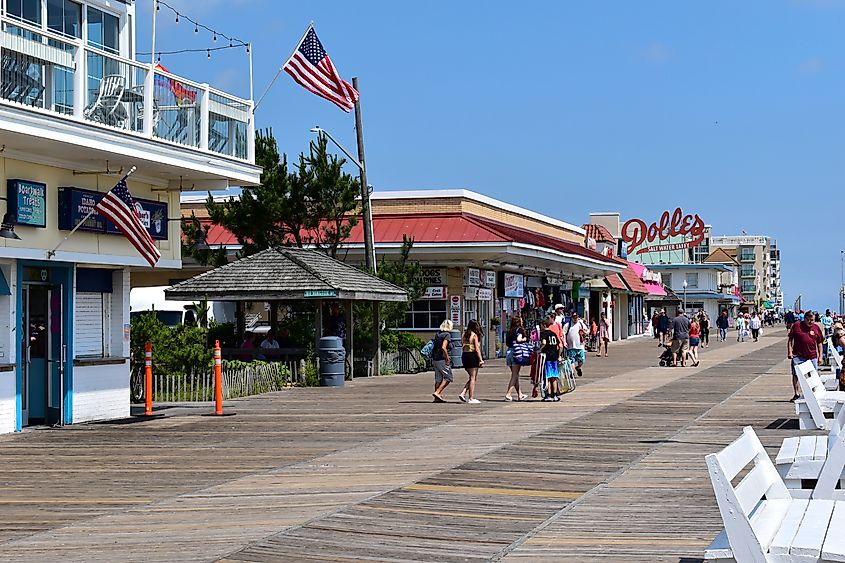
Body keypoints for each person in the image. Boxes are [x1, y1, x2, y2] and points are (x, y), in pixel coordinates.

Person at [788, 309, 823, 402]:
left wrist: (820, 357)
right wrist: (790, 352)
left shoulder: (816, 328)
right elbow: (790, 340)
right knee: (796, 374)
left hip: (812, 356)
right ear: (805, 318)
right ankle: (796, 393)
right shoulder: (797, 326)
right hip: (798, 355)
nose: (811, 322)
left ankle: (814, 393)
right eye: (809, 320)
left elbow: (819, 343)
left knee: (814, 375)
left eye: (813, 320)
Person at [458, 319, 484, 404]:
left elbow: (462, 344)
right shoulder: (474, 335)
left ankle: (463, 392)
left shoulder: (464, 335)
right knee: (473, 378)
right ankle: (471, 398)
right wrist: (481, 360)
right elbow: (477, 349)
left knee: (472, 377)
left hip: (464, 356)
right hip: (472, 356)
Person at [505, 316, 528, 401]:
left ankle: (520, 394)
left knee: (516, 375)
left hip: (509, 352)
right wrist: (524, 339)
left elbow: (507, 343)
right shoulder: (520, 330)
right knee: (514, 375)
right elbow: (519, 339)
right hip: (517, 352)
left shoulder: (509, 331)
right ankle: (508, 394)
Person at [540, 318, 562, 401]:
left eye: (541, 325)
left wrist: (539, 349)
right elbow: (560, 345)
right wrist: (559, 355)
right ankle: (555, 395)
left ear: (544, 325)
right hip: (554, 356)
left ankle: (549, 395)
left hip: (547, 356)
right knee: (554, 376)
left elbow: (544, 343)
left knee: (548, 377)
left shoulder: (544, 334)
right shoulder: (553, 334)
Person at [431, 320, 453, 402]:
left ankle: (437, 398)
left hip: (435, 358)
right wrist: (447, 358)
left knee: (438, 378)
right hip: (442, 359)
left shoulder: (438, 334)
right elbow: (444, 347)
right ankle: (437, 392)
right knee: (448, 377)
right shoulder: (447, 335)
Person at [562, 311, 589, 377]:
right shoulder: (567, 325)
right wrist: (564, 342)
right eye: (574, 317)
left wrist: (584, 332)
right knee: (571, 360)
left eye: (576, 317)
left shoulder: (581, 324)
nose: (575, 319)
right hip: (571, 346)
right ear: (572, 317)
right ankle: (572, 373)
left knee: (581, 360)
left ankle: (578, 368)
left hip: (580, 346)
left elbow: (587, 331)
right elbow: (563, 334)